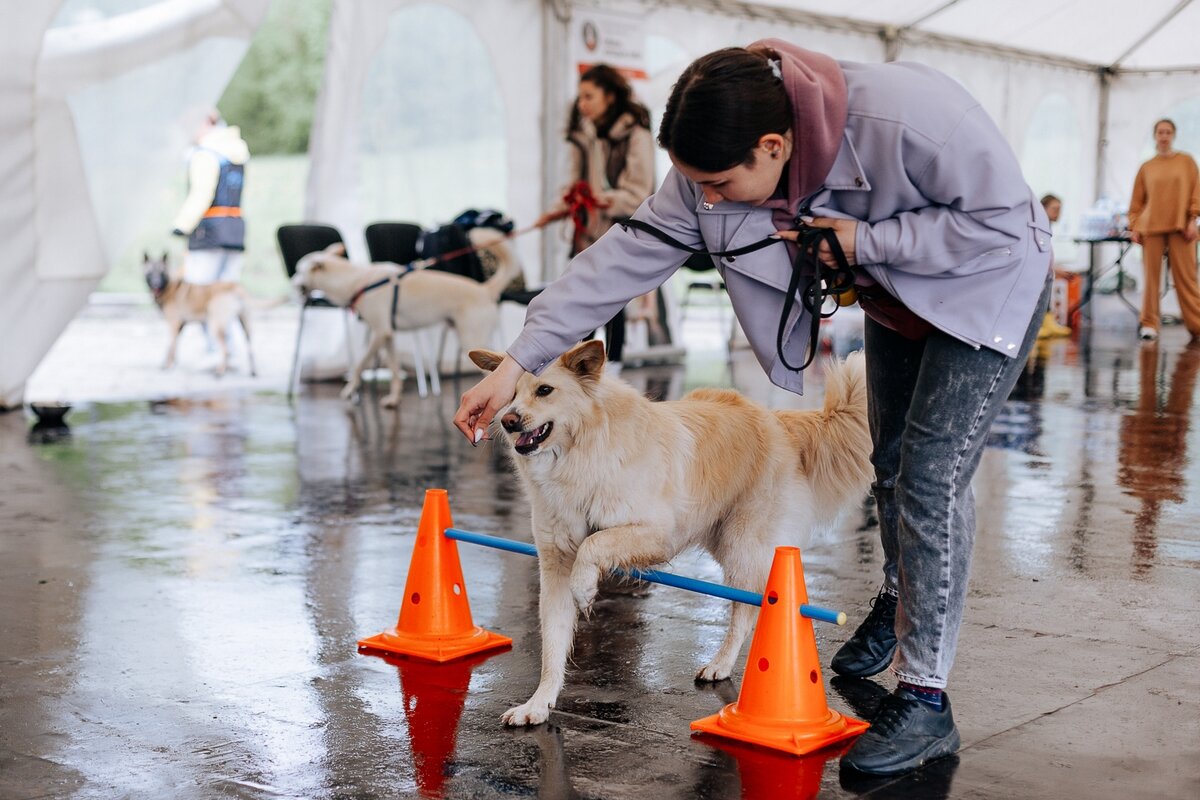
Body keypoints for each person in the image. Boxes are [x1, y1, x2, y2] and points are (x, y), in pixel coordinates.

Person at [455, 40, 1052, 775]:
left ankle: (925, 696)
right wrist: (514, 364)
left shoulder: (915, 117)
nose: (705, 198)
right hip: (896, 306)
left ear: (773, 145)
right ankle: (901, 598)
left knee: (931, 478)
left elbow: (1001, 226)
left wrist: (866, 240)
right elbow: (617, 261)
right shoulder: (710, 174)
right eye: (693, 183)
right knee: (890, 466)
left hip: (985, 292)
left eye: (717, 182)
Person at [534, 64, 661, 364]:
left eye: (589, 96)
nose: (583, 104)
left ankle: (612, 373)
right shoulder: (584, 134)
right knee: (580, 304)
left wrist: (598, 200)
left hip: (621, 233)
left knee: (612, 305)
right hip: (587, 235)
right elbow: (573, 184)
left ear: (610, 96)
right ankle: (580, 376)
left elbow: (637, 193)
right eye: (580, 97)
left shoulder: (637, 134)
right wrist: (555, 212)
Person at [1128, 119, 1200, 342]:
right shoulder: (1147, 167)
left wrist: (1193, 219)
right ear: (1155, 135)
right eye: (1160, 132)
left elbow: (1196, 192)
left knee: (1186, 278)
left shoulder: (1186, 162)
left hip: (1182, 228)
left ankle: (1197, 325)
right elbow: (1137, 203)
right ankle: (1149, 323)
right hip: (1151, 228)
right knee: (1151, 279)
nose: (1164, 136)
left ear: (1174, 135)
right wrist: (1134, 226)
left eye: (1168, 132)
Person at [171, 112, 250, 285]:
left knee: (198, 290)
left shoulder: (205, 154)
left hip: (207, 233)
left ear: (205, 123)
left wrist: (182, 225)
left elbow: (202, 193)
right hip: (235, 230)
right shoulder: (238, 151)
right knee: (227, 291)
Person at [1036, 193, 1072, 338]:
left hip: (1043, 269)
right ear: (1043, 208)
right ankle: (1039, 323)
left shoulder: (1046, 227)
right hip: (1034, 271)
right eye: (1055, 209)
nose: (1058, 213)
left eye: (1060, 209)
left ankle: (1046, 319)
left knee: (1047, 283)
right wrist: (1053, 268)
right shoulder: (1038, 226)